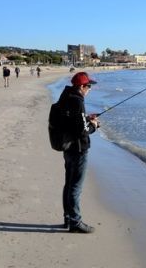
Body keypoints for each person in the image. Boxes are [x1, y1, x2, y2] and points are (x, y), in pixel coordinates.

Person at [57, 71, 100, 233]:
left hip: (68, 147)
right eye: (88, 86)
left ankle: (68, 218)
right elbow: (82, 131)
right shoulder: (78, 101)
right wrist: (93, 125)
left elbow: (72, 121)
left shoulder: (66, 97)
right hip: (78, 149)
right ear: (81, 86)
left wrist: (86, 118)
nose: (90, 89)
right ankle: (75, 222)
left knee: (69, 184)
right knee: (75, 186)